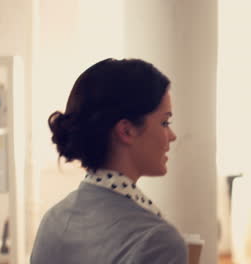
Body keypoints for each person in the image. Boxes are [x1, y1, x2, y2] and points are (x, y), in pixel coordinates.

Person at [30, 58, 187, 263]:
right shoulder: (157, 240)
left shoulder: (53, 219)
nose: (172, 135)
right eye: (164, 122)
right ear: (126, 130)